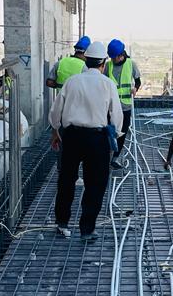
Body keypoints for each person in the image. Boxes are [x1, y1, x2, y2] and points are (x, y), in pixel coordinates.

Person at [49, 41, 123, 241]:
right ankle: (87, 229)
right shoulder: (108, 84)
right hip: (97, 139)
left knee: (66, 180)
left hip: (71, 137)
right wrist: (114, 137)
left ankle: (62, 222)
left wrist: (55, 130)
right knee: (95, 184)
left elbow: (56, 111)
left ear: (86, 60)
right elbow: (116, 116)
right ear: (103, 64)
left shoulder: (72, 82)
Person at [105, 39, 141, 168]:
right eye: (111, 57)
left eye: (114, 57)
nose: (113, 60)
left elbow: (138, 81)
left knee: (122, 133)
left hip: (125, 106)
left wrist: (135, 88)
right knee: (109, 132)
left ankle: (115, 158)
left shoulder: (131, 64)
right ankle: (106, 156)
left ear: (121, 55)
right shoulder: (108, 65)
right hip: (110, 106)